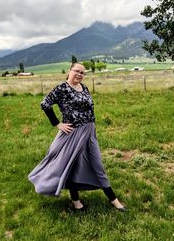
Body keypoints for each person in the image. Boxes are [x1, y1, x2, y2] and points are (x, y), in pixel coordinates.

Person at [28, 57, 126, 211]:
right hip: (72, 134)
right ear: (70, 71)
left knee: (97, 165)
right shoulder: (62, 88)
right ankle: (76, 201)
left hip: (89, 133)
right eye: (76, 71)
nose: (79, 74)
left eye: (82, 72)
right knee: (71, 166)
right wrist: (57, 124)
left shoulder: (84, 87)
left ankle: (113, 200)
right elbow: (45, 104)